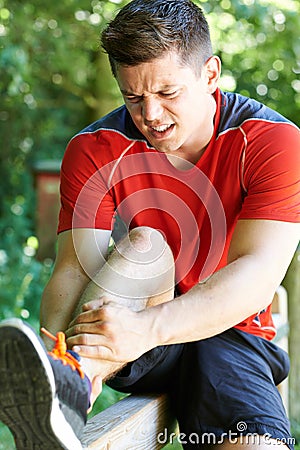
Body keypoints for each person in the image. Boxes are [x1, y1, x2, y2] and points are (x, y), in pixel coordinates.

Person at [0, 0, 299, 448]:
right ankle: (70, 381)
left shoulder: (274, 142)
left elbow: (257, 276)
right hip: (129, 332)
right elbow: (73, 268)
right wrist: (56, 351)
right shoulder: (95, 148)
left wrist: (150, 327)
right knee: (145, 244)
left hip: (229, 331)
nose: (151, 115)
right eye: (133, 97)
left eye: (167, 93)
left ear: (210, 74)